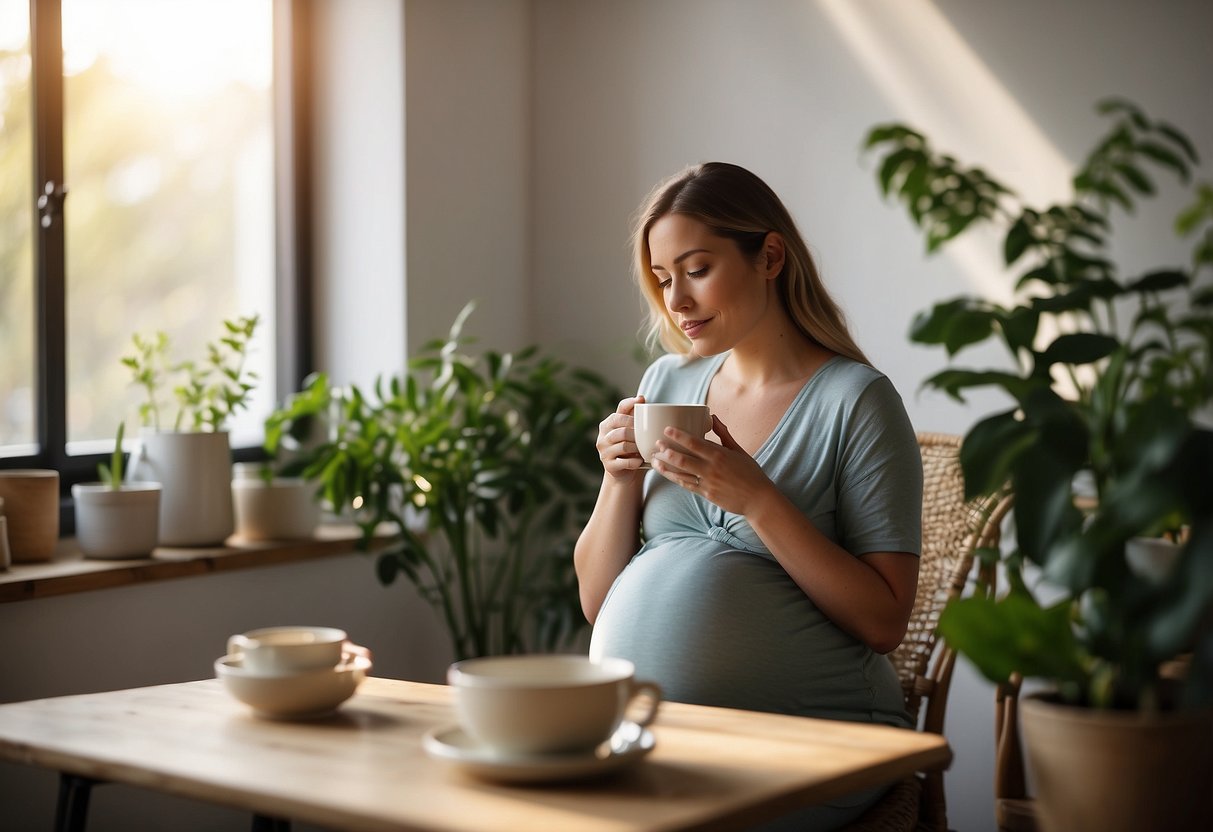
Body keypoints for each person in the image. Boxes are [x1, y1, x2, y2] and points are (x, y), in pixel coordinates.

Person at [574, 162, 923, 829]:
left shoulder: (856, 402)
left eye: (696, 269)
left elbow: (884, 623)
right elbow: (598, 603)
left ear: (768, 256)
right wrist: (617, 481)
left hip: (813, 747)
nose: (675, 301)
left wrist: (760, 501)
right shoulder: (668, 381)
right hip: (651, 743)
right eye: (662, 278)